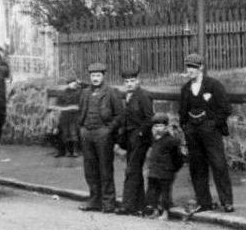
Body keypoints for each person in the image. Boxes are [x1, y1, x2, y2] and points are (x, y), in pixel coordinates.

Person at [179, 53, 233, 214]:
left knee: (219, 165)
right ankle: (204, 202)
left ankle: (227, 202)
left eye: (193, 67)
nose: (190, 70)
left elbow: (226, 109)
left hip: (211, 133)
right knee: (197, 167)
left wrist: (213, 124)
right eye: (188, 67)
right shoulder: (185, 89)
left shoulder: (213, 85)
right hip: (193, 133)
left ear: (201, 67)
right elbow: (182, 112)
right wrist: (186, 128)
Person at [77, 62, 123, 214]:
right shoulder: (85, 92)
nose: (95, 78)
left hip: (103, 135)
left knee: (105, 169)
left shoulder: (111, 92)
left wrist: (108, 130)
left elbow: (119, 115)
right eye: (92, 75)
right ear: (89, 77)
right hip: (87, 134)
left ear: (103, 76)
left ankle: (108, 202)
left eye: (98, 75)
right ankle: (94, 200)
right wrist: (82, 129)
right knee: (90, 170)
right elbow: (81, 111)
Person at [117, 66, 154, 216]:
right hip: (130, 138)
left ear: (138, 81)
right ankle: (140, 205)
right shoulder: (128, 96)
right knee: (135, 171)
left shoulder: (143, 95)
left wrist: (140, 133)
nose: (130, 83)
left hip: (140, 139)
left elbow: (149, 118)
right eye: (127, 81)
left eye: (132, 81)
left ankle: (127, 205)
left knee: (132, 170)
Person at [144, 113, 185, 220]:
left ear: (166, 127)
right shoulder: (154, 140)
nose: (158, 129)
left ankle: (165, 212)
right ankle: (155, 210)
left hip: (166, 171)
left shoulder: (171, 141)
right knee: (153, 192)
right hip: (154, 171)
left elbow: (178, 157)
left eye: (161, 126)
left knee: (165, 193)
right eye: (156, 126)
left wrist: (173, 168)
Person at [48, 76, 81, 157]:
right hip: (64, 116)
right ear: (68, 84)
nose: (73, 84)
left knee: (73, 133)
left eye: (74, 83)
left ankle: (74, 151)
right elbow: (58, 105)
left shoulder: (79, 92)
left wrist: (80, 83)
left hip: (74, 116)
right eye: (71, 83)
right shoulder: (63, 93)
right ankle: (66, 151)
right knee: (64, 133)